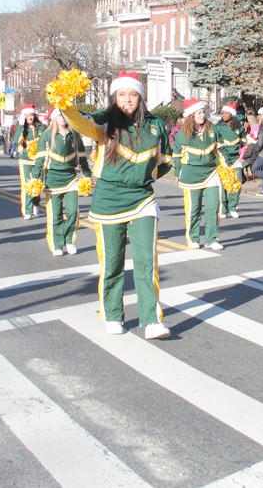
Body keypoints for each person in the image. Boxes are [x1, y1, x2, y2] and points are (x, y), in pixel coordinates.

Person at [60, 70, 173, 339]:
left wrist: (143, 178)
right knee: (112, 262)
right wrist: (65, 103)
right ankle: (112, 314)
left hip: (142, 199)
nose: (127, 100)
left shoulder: (156, 125)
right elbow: (80, 122)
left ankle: (151, 320)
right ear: (114, 97)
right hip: (108, 200)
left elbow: (166, 161)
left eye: (133, 95)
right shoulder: (104, 122)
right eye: (121, 95)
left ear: (141, 98)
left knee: (147, 262)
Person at [34, 108, 90, 256]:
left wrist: (87, 176)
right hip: (53, 181)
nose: (62, 118)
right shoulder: (47, 135)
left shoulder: (75, 135)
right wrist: (35, 178)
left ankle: (69, 240)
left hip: (71, 179)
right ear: (54, 118)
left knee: (73, 212)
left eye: (64, 115)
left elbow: (82, 158)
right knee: (56, 215)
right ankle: (57, 244)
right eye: (59, 115)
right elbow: (40, 160)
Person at [173, 98, 224, 250]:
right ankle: (193, 238)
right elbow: (177, 155)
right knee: (193, 209)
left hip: (211, 172)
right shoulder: (182, 135)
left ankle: (212, 239)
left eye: (203, 112)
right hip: (191, 175)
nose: (203, 115)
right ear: (191, 116)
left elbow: (220, 149)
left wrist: (226, 168)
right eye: (199, 113)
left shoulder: (212, 129)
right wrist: (177, 171)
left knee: (213, 206)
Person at [214, 102, 246, 219]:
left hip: (236, 158)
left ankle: (233, 207)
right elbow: (218, 143)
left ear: (231, 115)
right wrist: (226, 158)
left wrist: (243, 147)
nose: (224, 115)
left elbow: (243, 139)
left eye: (226, 113)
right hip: (223, 158)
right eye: (222, 113)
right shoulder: (218, 128)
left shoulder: (239, 127)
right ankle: (223, 209)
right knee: (224, 183)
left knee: (237, 182)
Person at [17, 104, 44, 220]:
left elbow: (46, 140)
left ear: (34, 116)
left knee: (38, 182)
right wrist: (20, 126)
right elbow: (16, 140)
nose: (29, 118)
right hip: (25, 159)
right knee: (27, 184)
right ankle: (27, 210)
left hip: (38, 159)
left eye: (31, 115)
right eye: (27, 115)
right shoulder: (22, 128)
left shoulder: (41, 127)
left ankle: (36, 203)